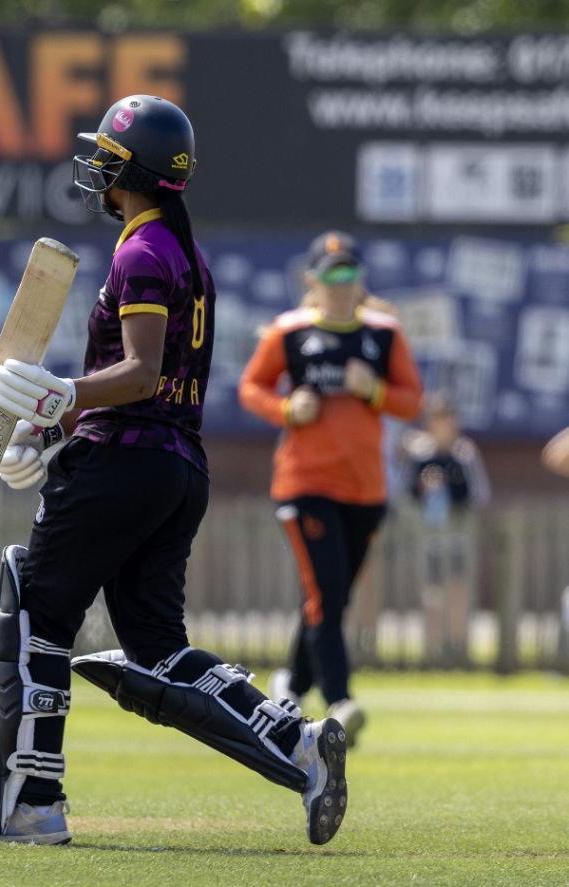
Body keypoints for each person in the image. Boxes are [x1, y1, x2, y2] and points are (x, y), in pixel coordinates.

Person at [0, 96, 352, 848]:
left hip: (123, 461)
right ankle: (299, 748)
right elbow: (151, 385)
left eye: (106, 153)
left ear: (126, 171)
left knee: (32, 618)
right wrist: (60, 420)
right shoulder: (183, 252)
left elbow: (138, 374)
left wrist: (69, 396)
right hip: (174, 467)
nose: (96, 165)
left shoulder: (142, 252)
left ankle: (32, 804)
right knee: (158, 649)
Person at [239, 230, 423, 747]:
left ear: (359, 280)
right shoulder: (289, 332)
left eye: (349, 274)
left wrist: (376, 390)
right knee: (324, 594)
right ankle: (341, 702)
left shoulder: (385, 334)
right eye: (330, 274)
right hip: (305, 484)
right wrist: (285, 409)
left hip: (366, 490)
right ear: (311, 280)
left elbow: (411, 402)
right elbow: (251, 387)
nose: (340, 284)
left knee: (332, 597)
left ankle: (291, 686)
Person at [399, 393, 490, 664]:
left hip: (458, 535)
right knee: (433, 591)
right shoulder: (420, 455)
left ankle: (459, 648)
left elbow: (479, 494)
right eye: (438, 420)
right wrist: (424, 488)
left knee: (459, 588)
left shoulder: (465, 453)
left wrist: (450, 487)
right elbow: (405, 495)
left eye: (448, 420)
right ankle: (433, 650)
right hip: (430, 538)